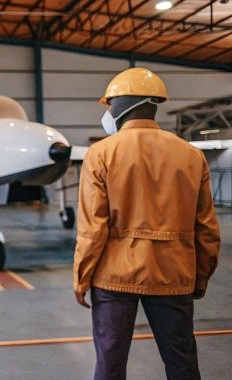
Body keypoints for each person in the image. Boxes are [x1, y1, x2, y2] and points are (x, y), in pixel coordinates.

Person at [72, 67, 221, 380]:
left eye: (109, 105)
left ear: (122, 105)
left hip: (114, 277)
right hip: (174, 272)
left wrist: (81, 277)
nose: (108, 111)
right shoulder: (191, 155)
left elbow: (92, 228)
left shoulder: (101, 154)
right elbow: (206, 227)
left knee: (110, 364)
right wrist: (201, 275)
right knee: (181, 361)